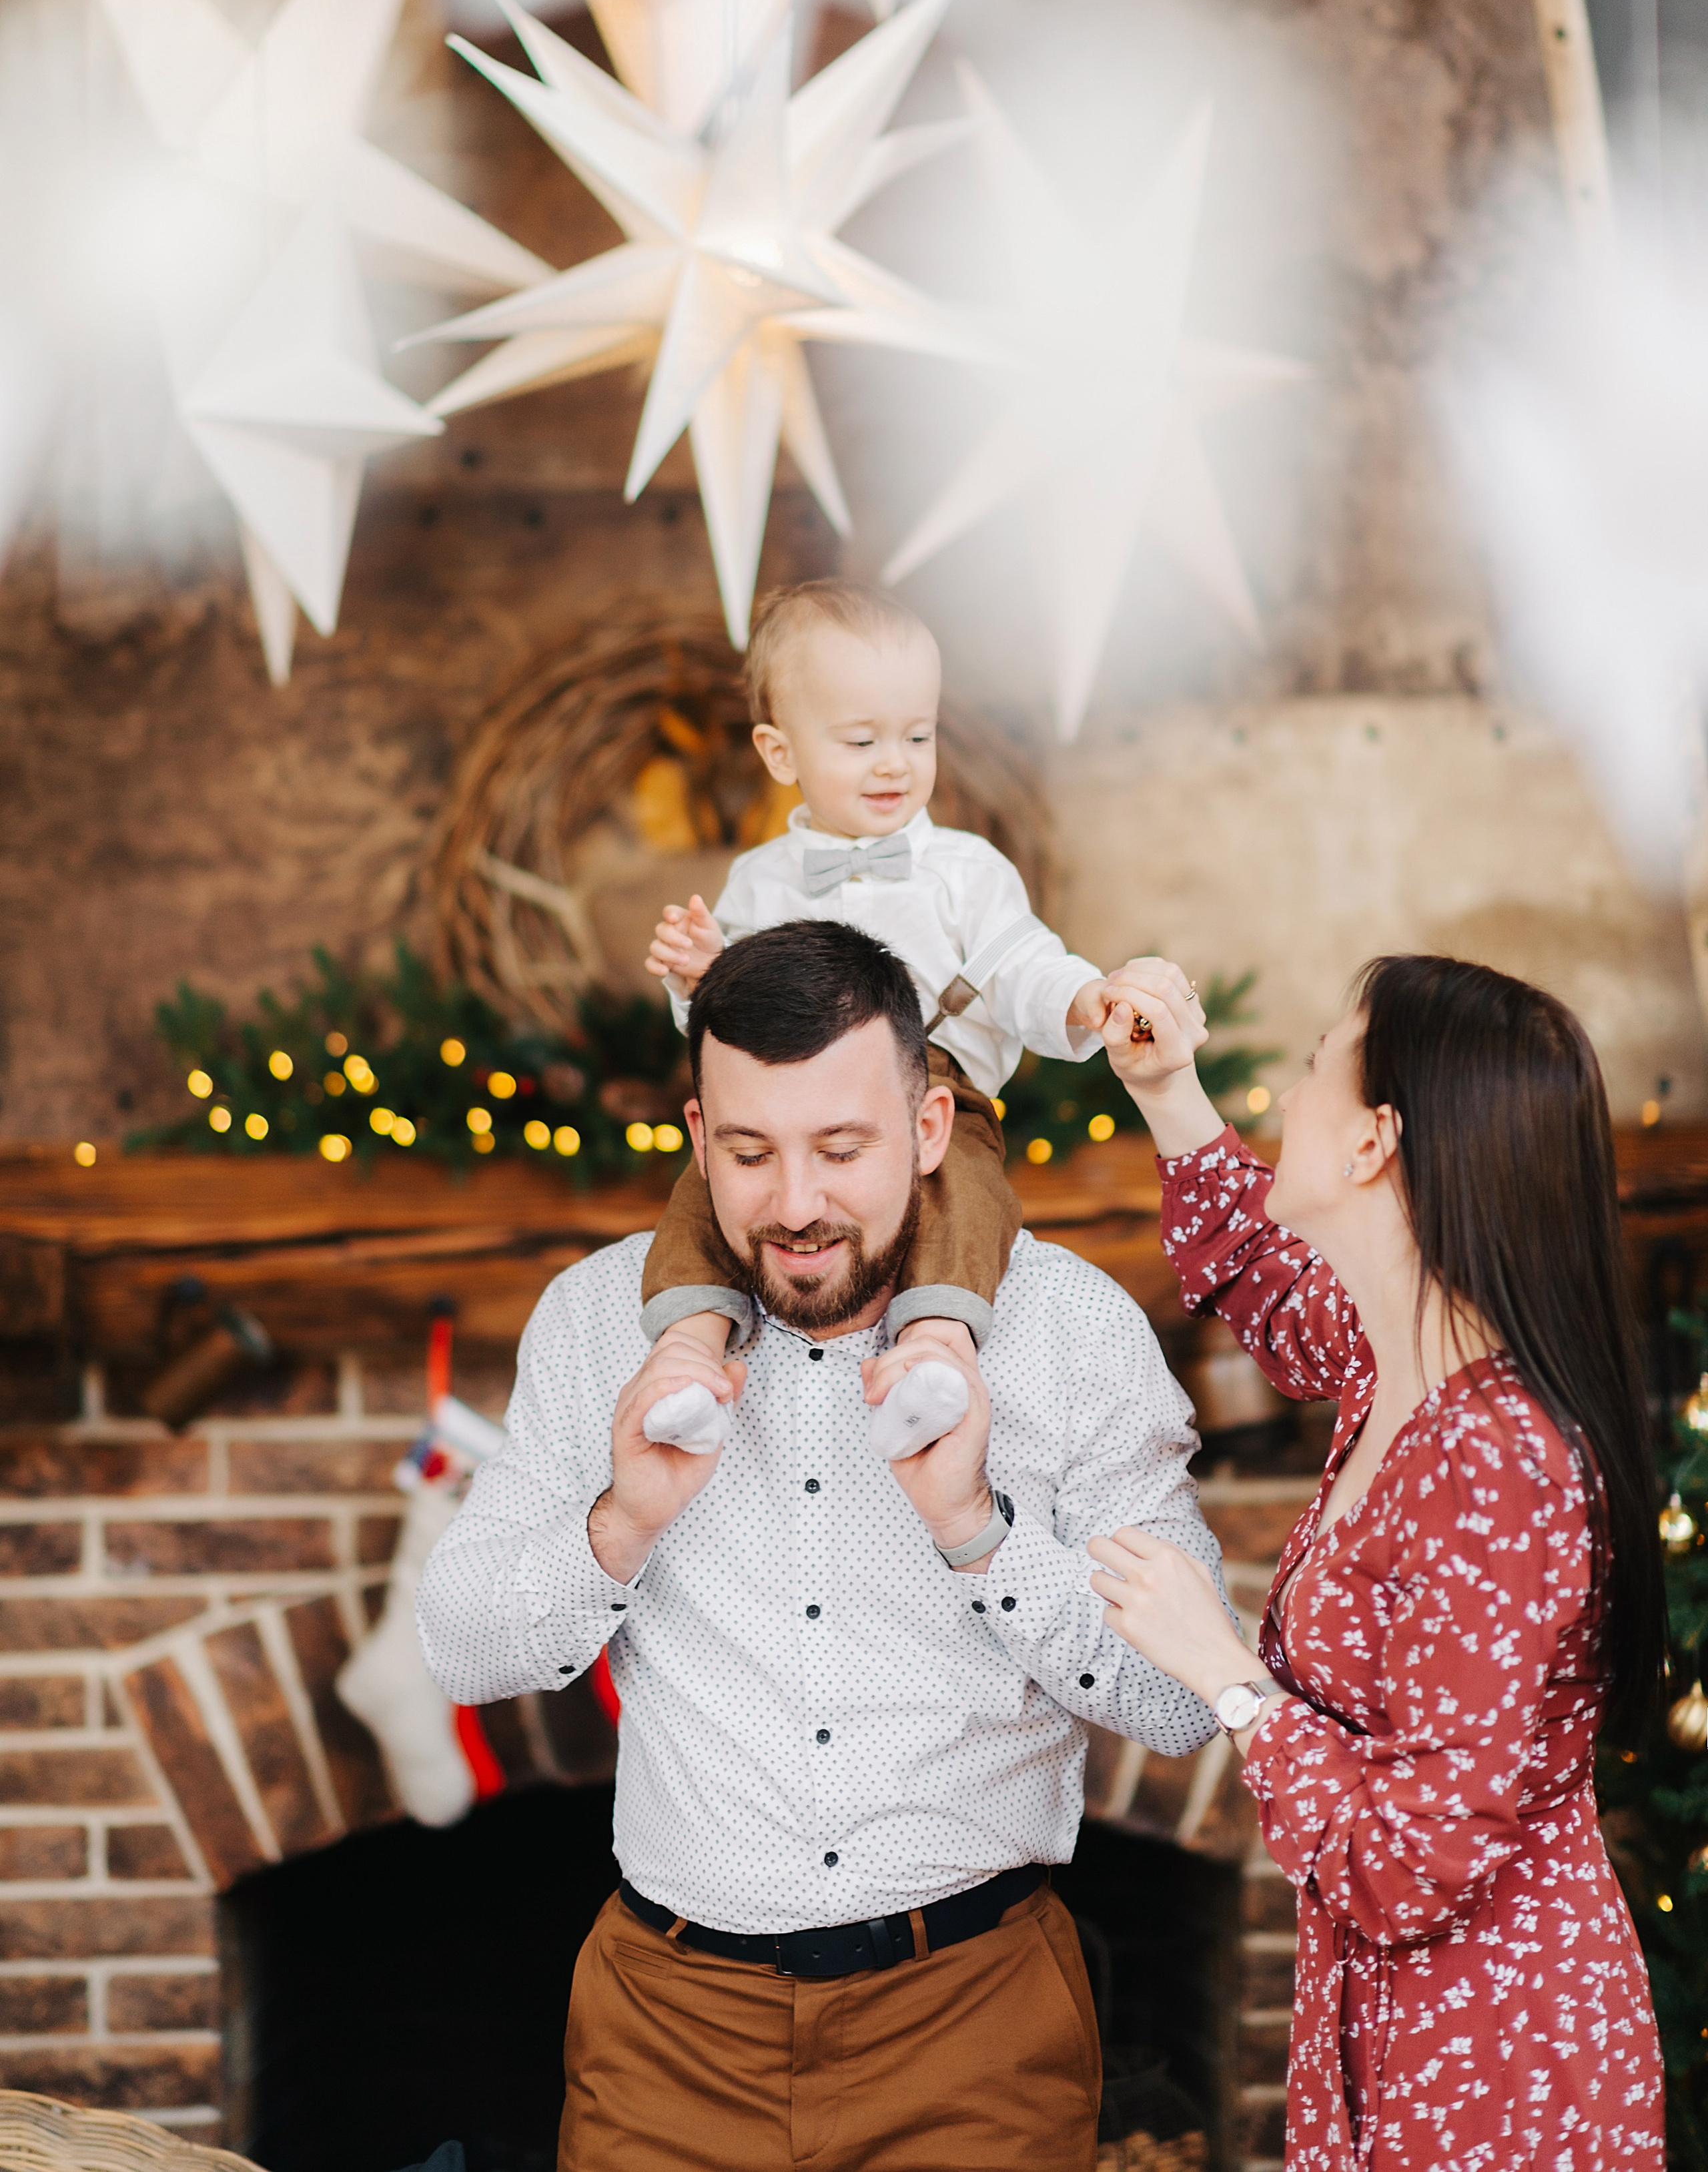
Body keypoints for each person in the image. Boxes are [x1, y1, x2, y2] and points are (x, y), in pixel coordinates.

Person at [416, 919, 1228, 2172]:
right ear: (698, 1138)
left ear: (931, 1126)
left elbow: (1180, 1703)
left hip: (976, 2030)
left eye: (842, 1150)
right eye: (750, 1153)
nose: (795, 1206)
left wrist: (977, 1531)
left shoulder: (1071, 1330)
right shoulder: (596, 1322)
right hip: (668, 2040)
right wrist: (622, 1523)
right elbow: (461, 1651)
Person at [1086, 952, 1666, 2171]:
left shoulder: (1499, 1460)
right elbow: (1262, 1277)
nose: (1289, 1097)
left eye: (1314, 1070)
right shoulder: (1394, 1354)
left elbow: (1411, 1864)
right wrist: (1167, 1087)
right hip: (1392, 2020)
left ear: (1374, 1143)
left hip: (1495, 2059)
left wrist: (1225, 1674)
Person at [638, 578, 1115, 1462]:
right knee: (709, 1190)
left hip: (937, 1083)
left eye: (917, 736)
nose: (895, 764)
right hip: (786, 1095)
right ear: (780, 754)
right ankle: (688, 1356)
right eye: (861, 741)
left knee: (965, 1188)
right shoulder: (759, 882)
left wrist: (1080, 998)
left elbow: (1022, 964)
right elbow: (726, 1031)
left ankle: (935, 1350)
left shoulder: (966, 873)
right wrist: (703, 979)